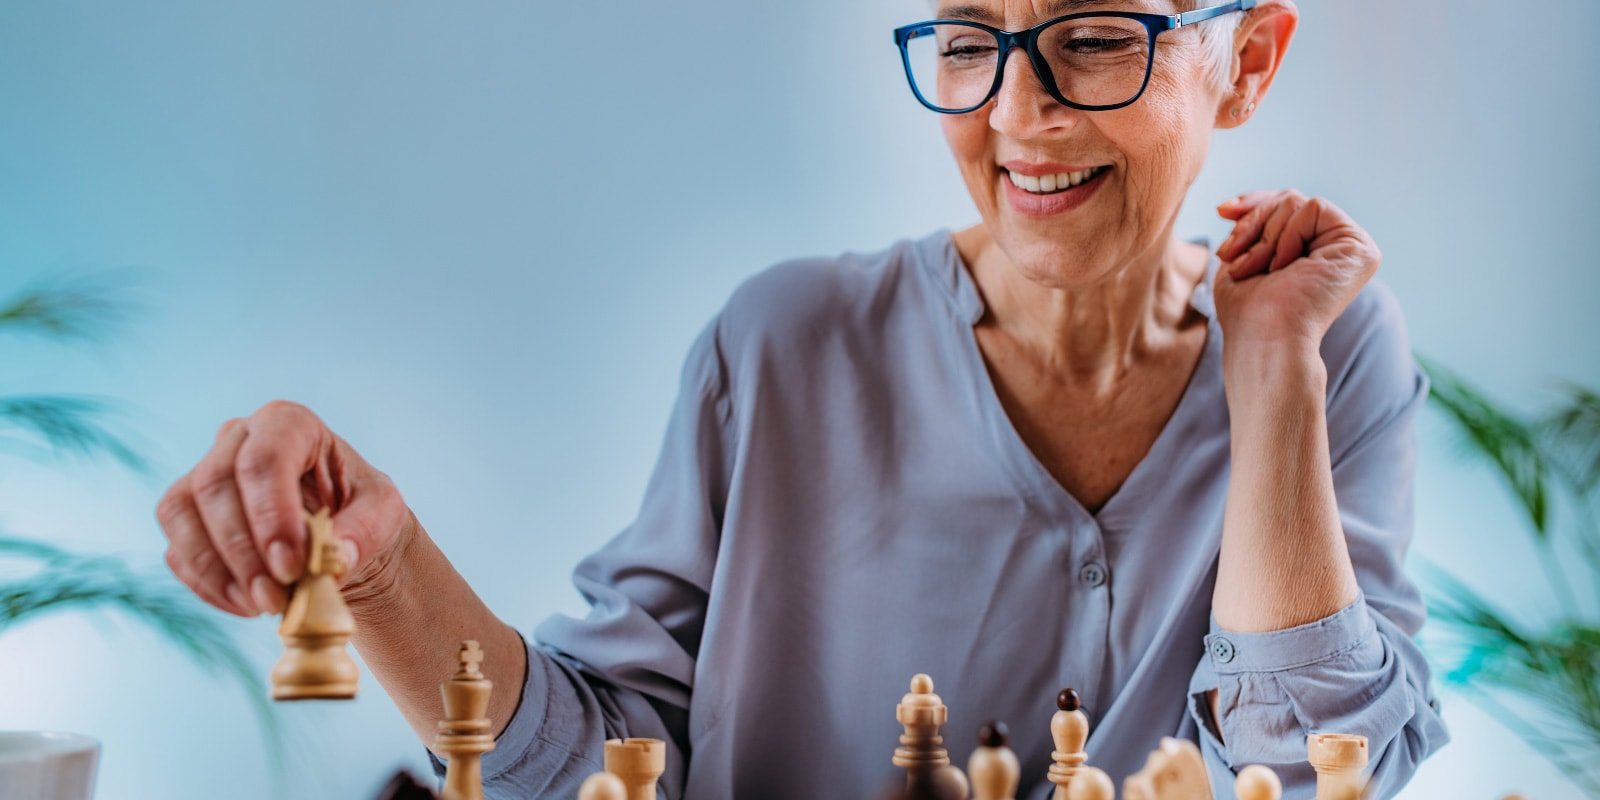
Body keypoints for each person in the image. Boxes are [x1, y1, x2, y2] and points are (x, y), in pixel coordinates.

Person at [155, 0, 1449, 797]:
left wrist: (1274, 372)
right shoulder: (778, 348)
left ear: (1250, 58)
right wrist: (383, 571)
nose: (1018, 112)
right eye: (966, 39)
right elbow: (610, 773)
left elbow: (1308, 782)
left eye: (1097, 37)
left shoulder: (1329, 341)